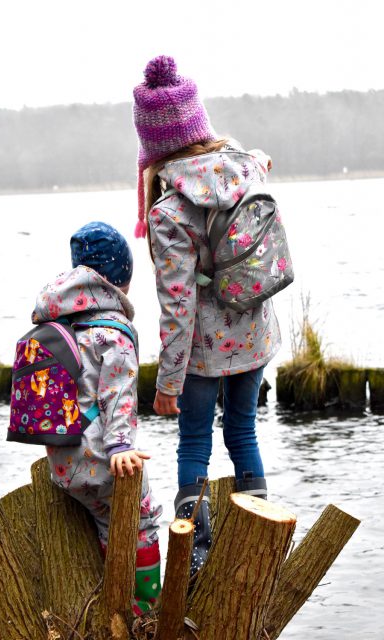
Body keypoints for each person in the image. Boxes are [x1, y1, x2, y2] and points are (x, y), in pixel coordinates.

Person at [132, 55, 281, 576]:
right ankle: (259, 551)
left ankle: (194, 562)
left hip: (203, 352)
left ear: (152, 145)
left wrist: (167, 383)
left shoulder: (169, 213)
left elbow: (178, 307)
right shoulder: (245, 166)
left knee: (195, 441)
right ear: (198, 123)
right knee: (243, 431)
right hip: (256, 333)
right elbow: (265, 159)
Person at [31, 221, 162, 615]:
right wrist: (121, 446)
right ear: (118, 281)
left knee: (105, 521)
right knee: (143, 519)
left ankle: (107, 597)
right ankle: (144, 609)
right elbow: (117, 394)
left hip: (62, 458)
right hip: (102, 458)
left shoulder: (57, 323)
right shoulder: (113, 333)